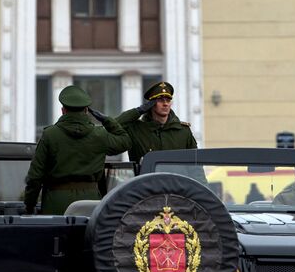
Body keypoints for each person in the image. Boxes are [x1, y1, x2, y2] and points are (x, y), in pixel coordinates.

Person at [24, 85, 131, 215]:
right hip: (90, 203)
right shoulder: (100, 135)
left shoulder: (50, 135)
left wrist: (29, 206)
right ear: (86, 110)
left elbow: (35, 177)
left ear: (63, 111)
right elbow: (125, 141)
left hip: (56, 203)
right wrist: (107, 120)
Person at [115, 81, 197, 164]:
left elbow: (195, 163)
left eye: (168, 100)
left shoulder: (183, 131)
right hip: (146, 177)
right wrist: (138, 111)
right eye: (161, 100)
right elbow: (113, 127)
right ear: (151, 104)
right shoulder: (136, 130)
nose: (165, 104)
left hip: (176, 177)